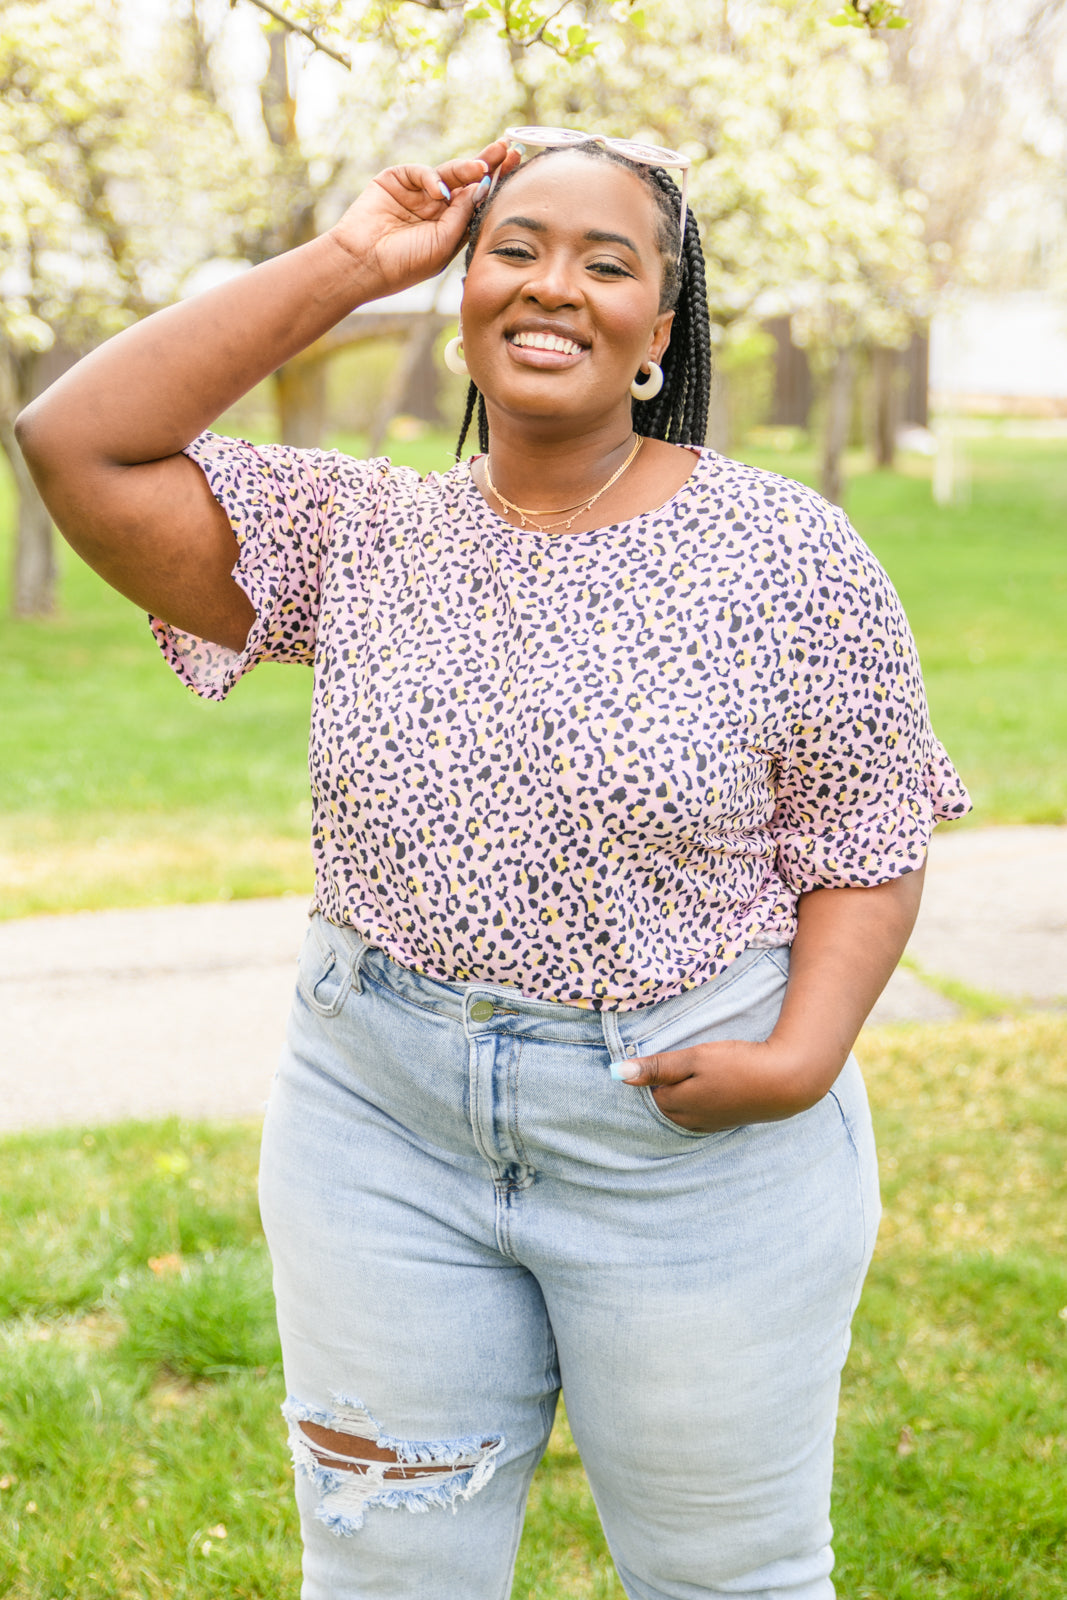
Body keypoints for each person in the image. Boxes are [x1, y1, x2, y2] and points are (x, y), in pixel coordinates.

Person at [17, 131, 970, 1600]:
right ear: (463, 297)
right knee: (387, 1575)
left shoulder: (787, 552)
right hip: (378, 1132)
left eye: (607, 264)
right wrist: (355, 262)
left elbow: (866, 833)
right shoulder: (364, 533)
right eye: (515, 249)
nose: (552, 286)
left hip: (688, 1139)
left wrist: (802, 1057)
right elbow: (75, 441)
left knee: (727, 1577)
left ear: (661, 333)